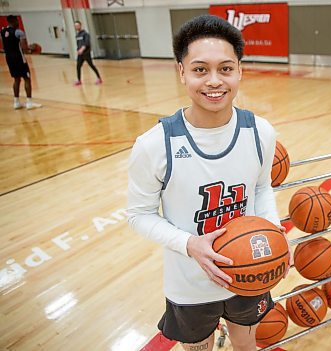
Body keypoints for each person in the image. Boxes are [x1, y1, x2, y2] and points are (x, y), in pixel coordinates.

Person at [127, 15, 292, 351]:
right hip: (190, 282)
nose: (214, 81)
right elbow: (139, 214)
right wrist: (190, 244)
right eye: (200, 69)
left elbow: (261, 189)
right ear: (182, 72)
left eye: (226, 69)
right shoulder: (154, 144)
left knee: (246, 347)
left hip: (252, 271)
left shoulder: (261, 132)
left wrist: (275, 233)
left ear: (240, 71)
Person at [1, 15, 42, 110]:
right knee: (27, 79)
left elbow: (3, 47)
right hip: (19, 59)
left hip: (9, 59)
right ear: (14, 21)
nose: (18, 23)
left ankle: (16, 102)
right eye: (17, 21)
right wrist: (33, 48)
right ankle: (29, 103)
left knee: (16, 79)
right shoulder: (19, 32)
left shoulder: (3, 32)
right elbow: (25, 48)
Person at [74, 20, 102, 86]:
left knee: (91, 65)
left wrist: (82, 49)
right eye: (75, 26)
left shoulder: (85, 34)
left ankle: (99, 78)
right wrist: (78, 50)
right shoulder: (77, 35)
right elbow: (78, 44)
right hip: (80, 54)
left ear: (80, 25)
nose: (76, 27)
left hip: (86, 53)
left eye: (77, 25)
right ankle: (79, 80)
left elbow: (86, 44)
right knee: (78, 66)